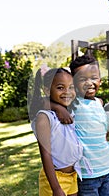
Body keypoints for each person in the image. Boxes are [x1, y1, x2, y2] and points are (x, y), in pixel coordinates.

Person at [50, 55, 109, 196]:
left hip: (108, 168)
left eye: (93, 77)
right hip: (86, 175)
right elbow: (41, 102)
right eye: (82, 79)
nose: (89, 83)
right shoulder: (72, 102)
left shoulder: (100, 103)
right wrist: (57, 107)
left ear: (100, 80)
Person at [30, 67, 91, 196]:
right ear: (47, 90)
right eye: (60, 87)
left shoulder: (70, 111)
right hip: (54, 180)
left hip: (73, 175)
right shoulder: (44, 118)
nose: (67, 92)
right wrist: (56, 188)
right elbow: (45, 155)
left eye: (71, 87)